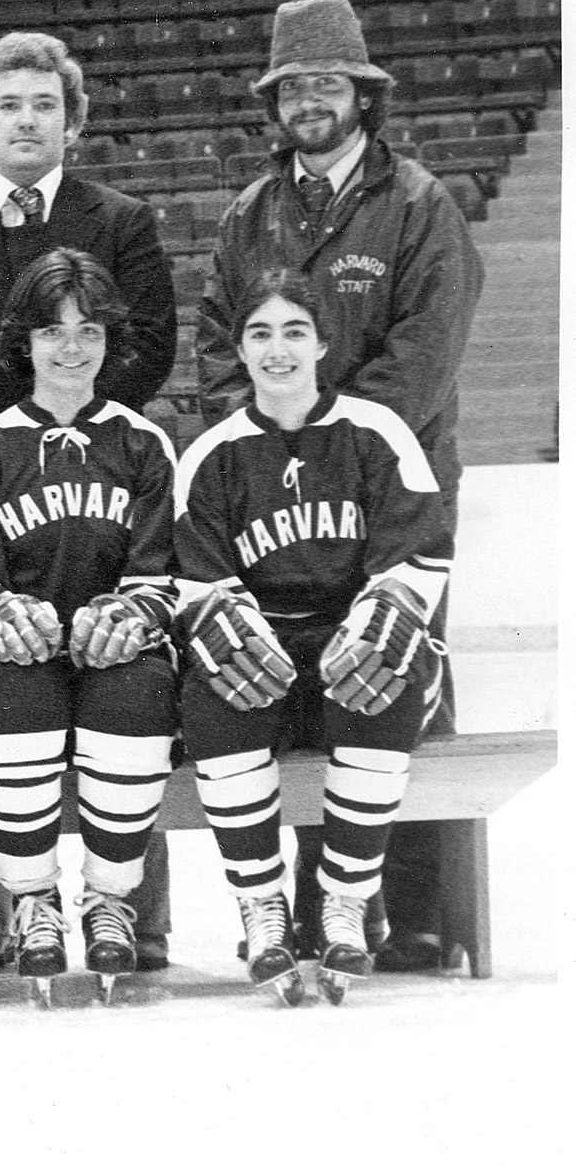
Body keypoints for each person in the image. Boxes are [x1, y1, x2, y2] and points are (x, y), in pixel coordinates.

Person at [194, 0, 482, 973]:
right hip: (279, 498)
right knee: (302, 682)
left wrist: (336, 440)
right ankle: (322, 910)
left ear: (362, 93)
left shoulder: (419, 203)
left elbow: (425, 353)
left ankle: (423, 910)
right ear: (273, 105)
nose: (308, 102)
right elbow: (215, 351)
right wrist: (278, 440)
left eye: (327, 83)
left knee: (396, 673)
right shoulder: (247, 215)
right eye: (291, 88)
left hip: (397, 491)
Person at [0, 30, 178, 973]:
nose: (26, 119)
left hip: (101, 478)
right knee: (3, 676)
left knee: (124, 663)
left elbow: (153, 341)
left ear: (71, 118)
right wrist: (2, 436)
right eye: (9, 104)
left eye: (44, 104)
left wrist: (81, 430)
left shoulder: (121, 216)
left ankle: (133, 914)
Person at [175, 272, 450, 1004]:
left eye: (295, 330)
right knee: (215, 685)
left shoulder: (376, 431)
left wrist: (379, 617)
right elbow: (199, 578)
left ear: (324, 342)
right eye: (260, 333)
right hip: (269, 649)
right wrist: (231, 627)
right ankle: (262, 906)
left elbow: (416, 553)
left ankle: (346, 901)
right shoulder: (213, 453)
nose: (278, 349)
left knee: (384, 664)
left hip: (346, 635)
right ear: (239, 347)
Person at [0, 249, 180, 1003]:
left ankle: (111, 899)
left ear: (112, 337)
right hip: (28, 653)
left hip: (112, 652)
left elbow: (158, 571)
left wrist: (129, 612)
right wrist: (2, 611)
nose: (71, 346)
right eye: (52, 329)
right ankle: (33, 900)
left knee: (140, 689)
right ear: (24, 339)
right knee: (8, 692)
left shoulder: (143, 441)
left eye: (88, 329)